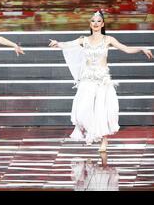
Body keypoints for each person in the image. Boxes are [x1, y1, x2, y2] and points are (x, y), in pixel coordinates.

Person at [49, 10, 153, 152]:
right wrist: (58, 43)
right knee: (83, 109)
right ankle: (91, 132)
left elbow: (126, 49)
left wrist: (141, 48)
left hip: (102, 80)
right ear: (90, 24)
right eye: (93, 21)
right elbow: (68, 44)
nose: (96, 23)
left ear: (102, 24)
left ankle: (104, 140)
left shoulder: (108, 39)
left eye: (98, 21)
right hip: (87, 80)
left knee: (102, 110)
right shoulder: (84, 40)